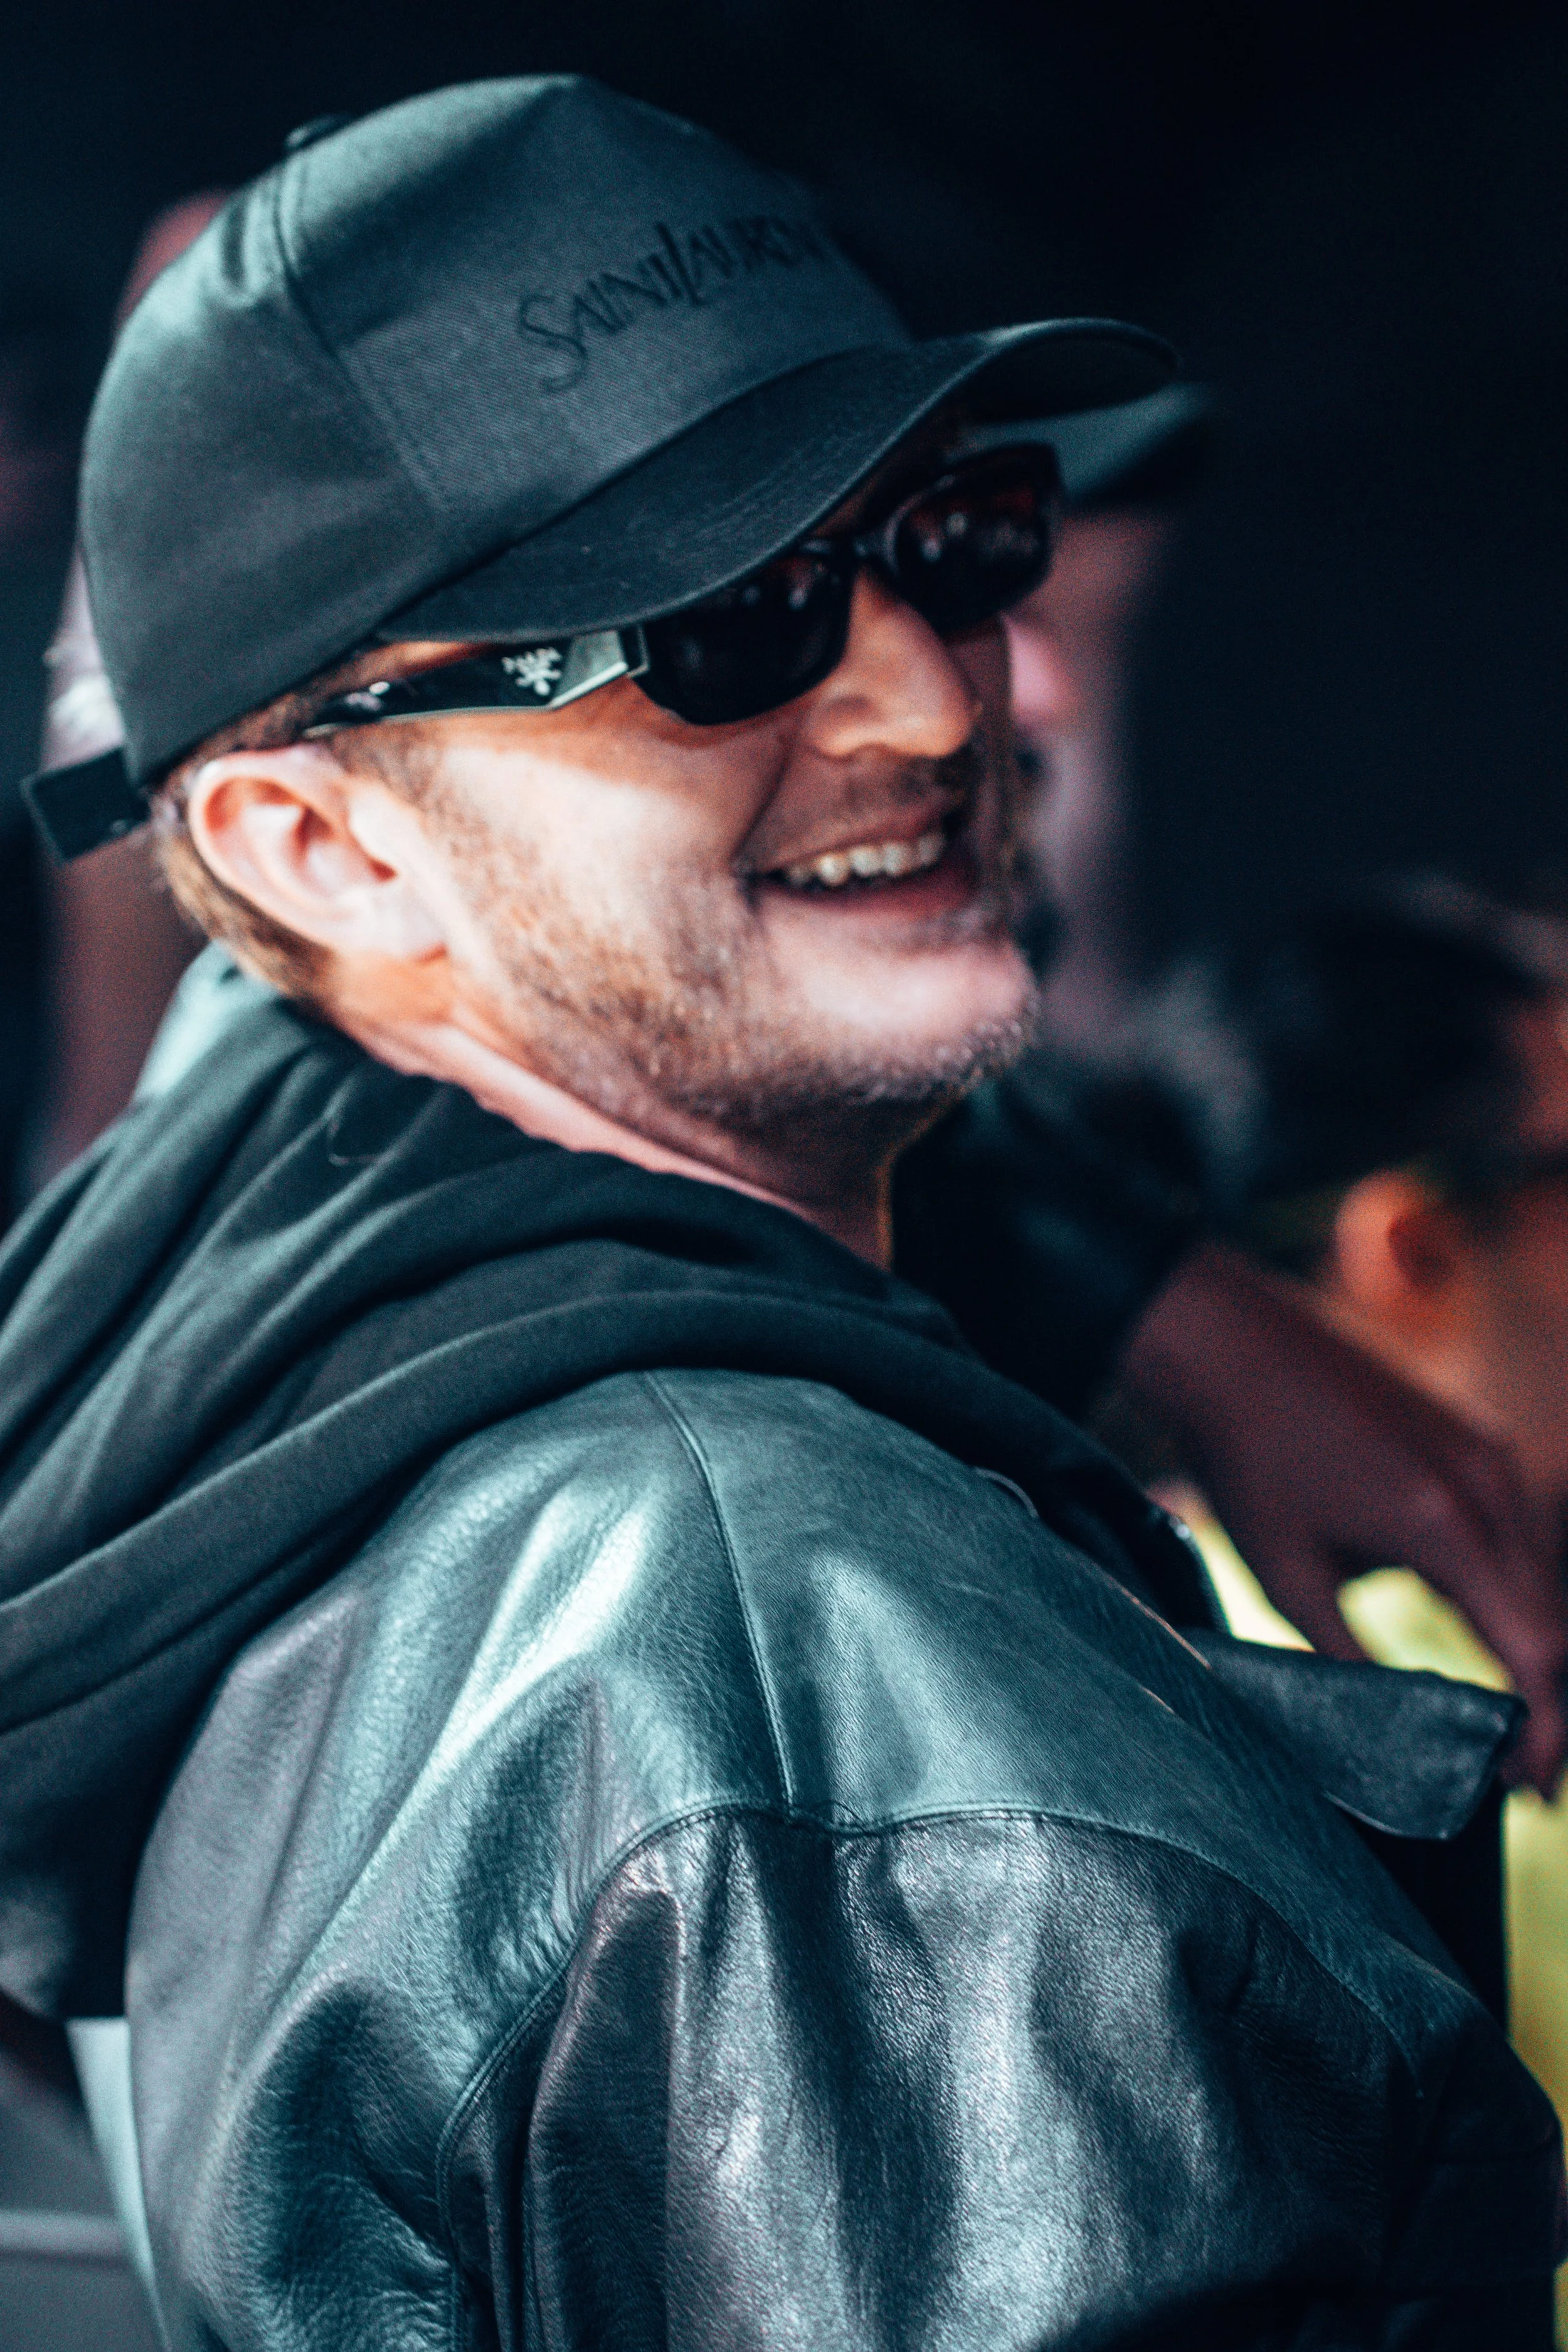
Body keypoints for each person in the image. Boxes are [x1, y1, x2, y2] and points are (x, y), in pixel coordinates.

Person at [4, 82, 1560, 2343]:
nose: (931, 695)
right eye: (716, 630)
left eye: (944, 537)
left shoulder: (268, 1289)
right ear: (324, 853)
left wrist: (1152, 1292)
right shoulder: (867, 1782)